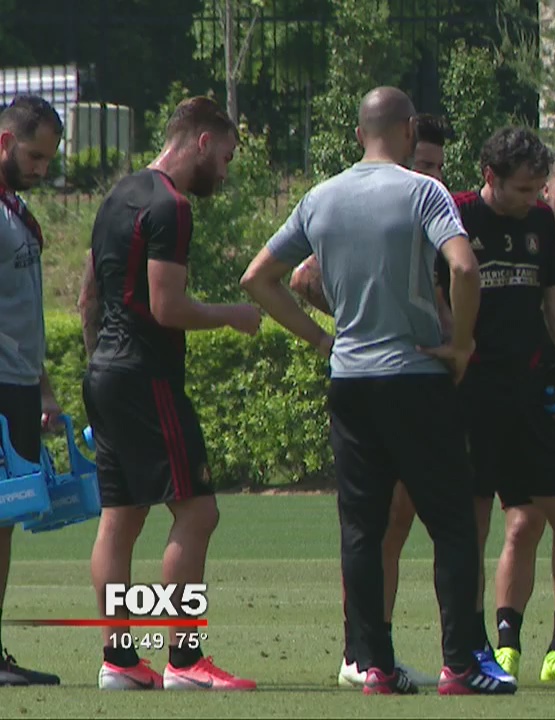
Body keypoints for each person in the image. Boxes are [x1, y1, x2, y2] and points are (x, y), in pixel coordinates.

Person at [240, 87, 513, 696]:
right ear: (410, 130)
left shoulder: (321, 197)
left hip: (352, 380)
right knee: (452, 525)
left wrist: (321, 339)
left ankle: (375, 666)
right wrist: (462, 344)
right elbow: (465, 268)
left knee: (361, 529)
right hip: (415, 377)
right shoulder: (424, 191)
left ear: (359, 132)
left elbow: (259, 277)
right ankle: (460, 665)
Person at [79, 97, 260, 691]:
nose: (227, 173)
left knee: (121, 518)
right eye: (228, 158)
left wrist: (98, 369)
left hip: (105, 371)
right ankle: (185, 659)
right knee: (198, 510)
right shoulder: (170, 204)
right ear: (202, 143)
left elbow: (88, 298)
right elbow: (167, 307)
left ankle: (120, 661)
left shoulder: (116, 195)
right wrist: (234, 314)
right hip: (145, 375)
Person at [441, 126, 555, 686]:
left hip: (527, 397)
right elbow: (431, 288)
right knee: (472, 527)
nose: (534, 201)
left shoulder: (540, 224)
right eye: (525, 191)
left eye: (538, 189)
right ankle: (471, 649)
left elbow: (554, 300)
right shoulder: (455, 215)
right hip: (472, 396)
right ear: (490, 177)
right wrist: (453, 345)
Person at [290, 111, 449, 689]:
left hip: (421, 379)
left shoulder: (433, 204)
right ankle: (363, 648)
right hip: (397, 377)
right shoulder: (382, 203)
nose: (428, 170)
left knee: (393, 522)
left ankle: (375, 650)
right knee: (382, 523)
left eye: (436, 164)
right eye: (422, 160)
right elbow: (302, 278)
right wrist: (362, 320)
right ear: (403, 143)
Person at [0, 95, 65, 687]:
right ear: (4, 142)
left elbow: (25, 314)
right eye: (35, 155)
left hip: (17, 384)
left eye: (48, 158)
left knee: (3, 518)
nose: (43, 168)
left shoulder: (14, 209)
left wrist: (42, 387)